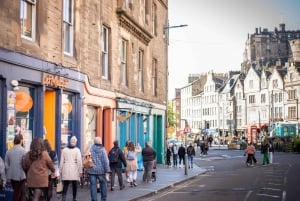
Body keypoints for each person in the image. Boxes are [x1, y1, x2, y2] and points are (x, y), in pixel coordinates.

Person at [86, 136, 111, 201]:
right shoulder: (102, 150)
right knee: (103, 185)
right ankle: (103, 199)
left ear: (94, 142)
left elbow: (86, 158)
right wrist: (107, 170)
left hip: (92, 170)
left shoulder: (90, 149)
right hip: (101, 171)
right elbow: (105, 161)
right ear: (100, 142)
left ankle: (94, 199)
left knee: (93, 186)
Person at [59, 136, 82, 201]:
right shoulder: (77, 150)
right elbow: (79, 161)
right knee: (74, 184)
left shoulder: (64, 150)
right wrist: (80, 171)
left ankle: (63, 198)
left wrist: (60, 170)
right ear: (75, 142)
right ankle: (74, 198)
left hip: (65, 168)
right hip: (74, 169)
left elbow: (61, 161)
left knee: (65, 184)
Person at [5, 134, 26, 201]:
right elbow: (25, 164)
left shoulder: (9, 151)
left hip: (11, 175)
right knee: (17, 193)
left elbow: (6, 164)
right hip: (20, 176)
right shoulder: (23, 151)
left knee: (18, 192)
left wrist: (10, 170)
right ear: (21, 140)